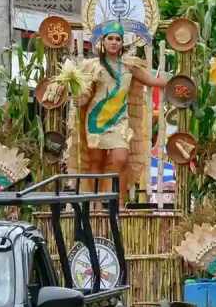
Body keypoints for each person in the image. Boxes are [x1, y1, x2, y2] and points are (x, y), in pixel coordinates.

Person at [67, 21, 168, 209]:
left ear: (122, 43)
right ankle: (96, 204)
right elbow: (86, 93)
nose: (114, 42)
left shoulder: (129, 66)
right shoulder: (94, 66)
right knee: (97, 162)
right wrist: (78, 100)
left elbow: (150, 80)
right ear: (103, 42)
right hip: (96, 120)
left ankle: (119, 202)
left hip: (120, 121)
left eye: (118, 39)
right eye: (110, 38)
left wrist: (173, 84)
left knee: (121, 160)